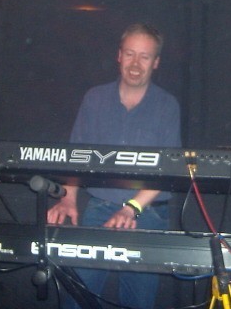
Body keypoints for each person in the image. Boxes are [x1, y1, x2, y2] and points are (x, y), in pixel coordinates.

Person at [47, 22, 181, 309]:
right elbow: (77, 155)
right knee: (76, 298)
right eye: (130, 54)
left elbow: (167, 171)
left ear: (156, 62)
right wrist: (68, 198)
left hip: (147, 214)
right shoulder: (95, 98)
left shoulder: (167, 106)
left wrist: (131, 208)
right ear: (119, 56)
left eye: (144, 56)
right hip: (100, 208)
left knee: (138, 303)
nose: (135, 64)